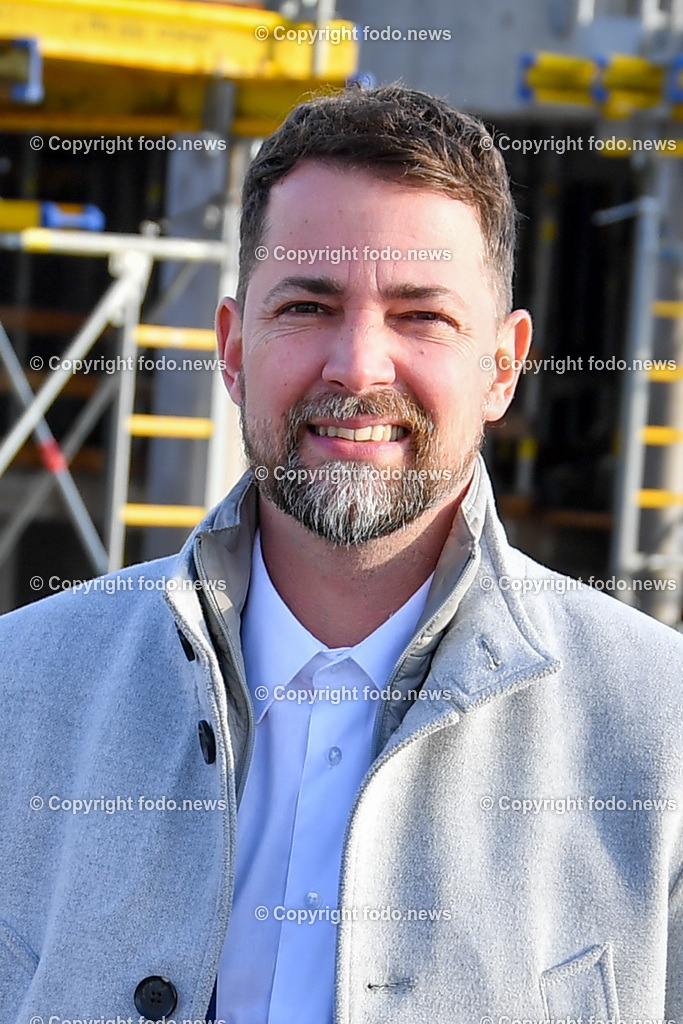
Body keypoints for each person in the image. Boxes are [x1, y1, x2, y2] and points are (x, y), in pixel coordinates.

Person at [1, 83, 682, 1024]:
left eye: (421, 316)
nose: (357, 367)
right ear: (233, 351)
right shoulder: (22, 694)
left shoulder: (663, 743)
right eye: (310, 305)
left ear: (502, 364)